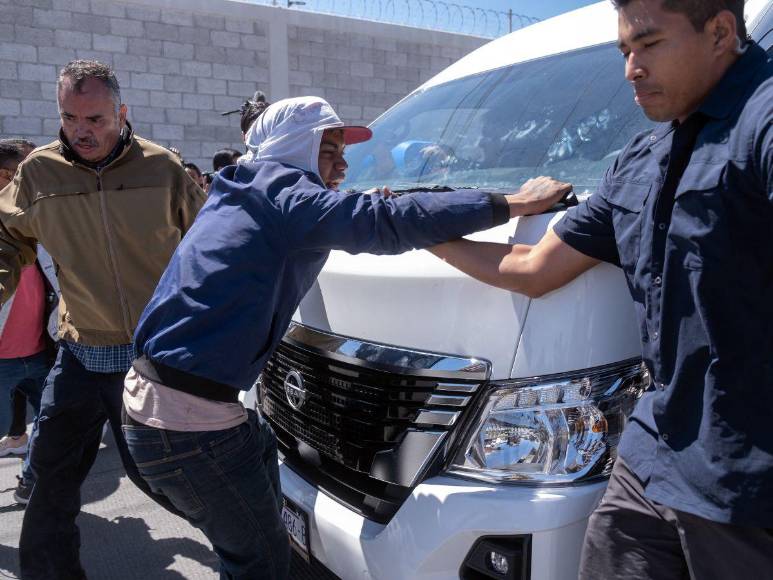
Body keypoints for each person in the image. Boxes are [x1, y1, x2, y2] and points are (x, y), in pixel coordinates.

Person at [121, 95, 571, 579]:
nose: (343, 161)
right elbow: (379, 224)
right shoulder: (285, 196)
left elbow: (354, 212)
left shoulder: (246, 187)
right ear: (293, 148)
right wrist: (512, 203)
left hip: (169, 413)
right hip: (191, 432)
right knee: (261, 566)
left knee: (263, 534)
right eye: (327, 148)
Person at [429, 1, 773, 578]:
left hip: (746, 480)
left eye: (649, 44)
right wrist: (424, 232)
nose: (630, 69)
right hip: (651, 454)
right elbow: (535, 268)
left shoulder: (761, 122)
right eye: (625, 51)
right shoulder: (642, 159)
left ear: (719, 32)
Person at [0, 59, 205, 580]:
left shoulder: (162, 170)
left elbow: (210, 245)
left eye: (95, 119)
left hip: (149, 359)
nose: (81, 131)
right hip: (79, 351)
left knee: (163, 477)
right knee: (50, 480)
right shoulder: (38, 173)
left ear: (121, 112)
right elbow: (8, 239)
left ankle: (247, 549)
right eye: (70, 118)